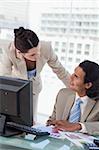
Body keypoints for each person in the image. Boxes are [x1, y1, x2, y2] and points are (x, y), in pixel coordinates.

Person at [0, 27, 70, 121]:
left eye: (38, 51)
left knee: (30, 121)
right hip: (15, 88)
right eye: (32, 55)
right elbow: (5, 78)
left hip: (34, 88)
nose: (38, 56)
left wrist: (76, 89)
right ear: (20, 52)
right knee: (12, 121)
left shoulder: (46, 48)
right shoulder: (8, 50)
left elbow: (60, 70)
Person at [47, 60, 99, 135]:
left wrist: (77, 126)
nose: (71, 77)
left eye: (76, 76)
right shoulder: (63, 94)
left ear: (88, 85)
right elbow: (51, 121)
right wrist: (51, 124)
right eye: (74, 73)